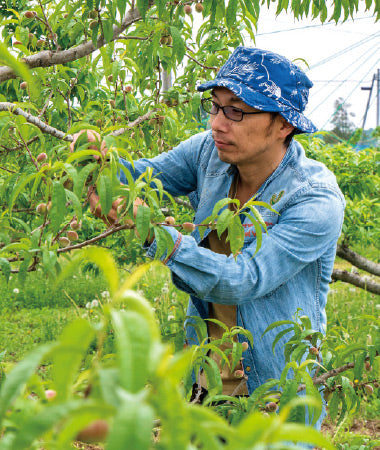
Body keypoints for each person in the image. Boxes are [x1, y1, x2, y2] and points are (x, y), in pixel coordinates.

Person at [74, 47, 345, 425]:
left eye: (236, 111)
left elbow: (244, 279)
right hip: (209, 378)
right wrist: (95, 161)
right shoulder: (209, 154)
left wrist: (157, 234)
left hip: (276, 392)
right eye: (215, 107)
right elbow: (139, 177)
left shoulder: (314, 199)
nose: (218, 123)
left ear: (283, 124)